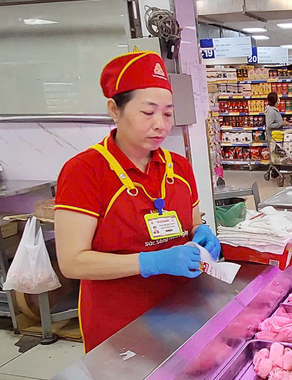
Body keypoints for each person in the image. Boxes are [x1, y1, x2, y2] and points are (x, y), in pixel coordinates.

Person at [54, 51, 221, 352]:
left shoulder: (179, 167)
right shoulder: (85, 171)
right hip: (121, 324)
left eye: (167, 114)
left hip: (183, 311)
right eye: (147, 112)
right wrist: (150, 262)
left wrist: (201, 233)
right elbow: (72, 261)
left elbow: (193, 223)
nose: (160, 125)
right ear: (114, 110)